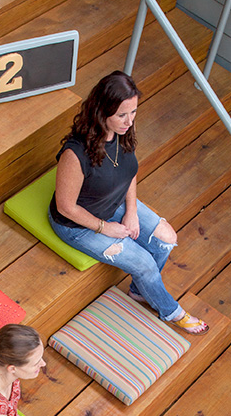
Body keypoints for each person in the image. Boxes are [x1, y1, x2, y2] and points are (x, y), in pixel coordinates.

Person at [49, 69, 208, 334]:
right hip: (76, 225)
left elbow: (128, 173)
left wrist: (131, 211)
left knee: (166, 239)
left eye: (133, 112)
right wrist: (104, 227)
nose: (129, 121)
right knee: (145, 263)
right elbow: (66, 207)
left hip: (113, 205)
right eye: (122, 114)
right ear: (102, 111)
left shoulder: (123, 132)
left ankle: (139, 290)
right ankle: (170, 311)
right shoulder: (75, 154)